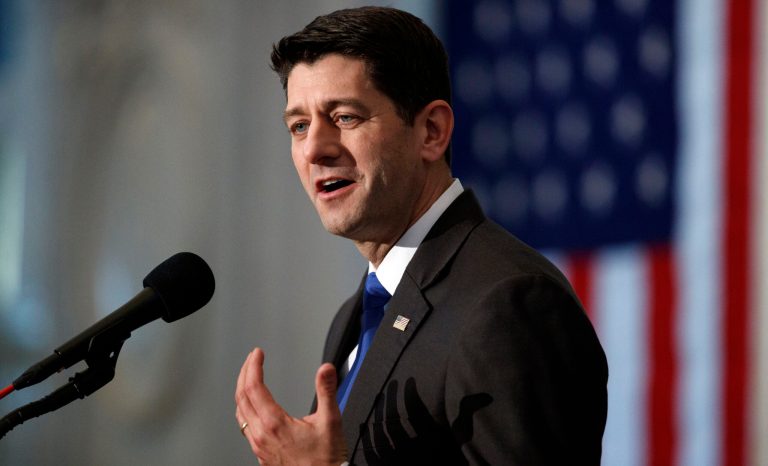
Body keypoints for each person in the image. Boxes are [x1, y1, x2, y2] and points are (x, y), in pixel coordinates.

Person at [234, 6, 608, 465]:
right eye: (299, 126)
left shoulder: (509, 305)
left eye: (346, 117)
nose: (314, 148)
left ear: (431, 132)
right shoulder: (357, 315)